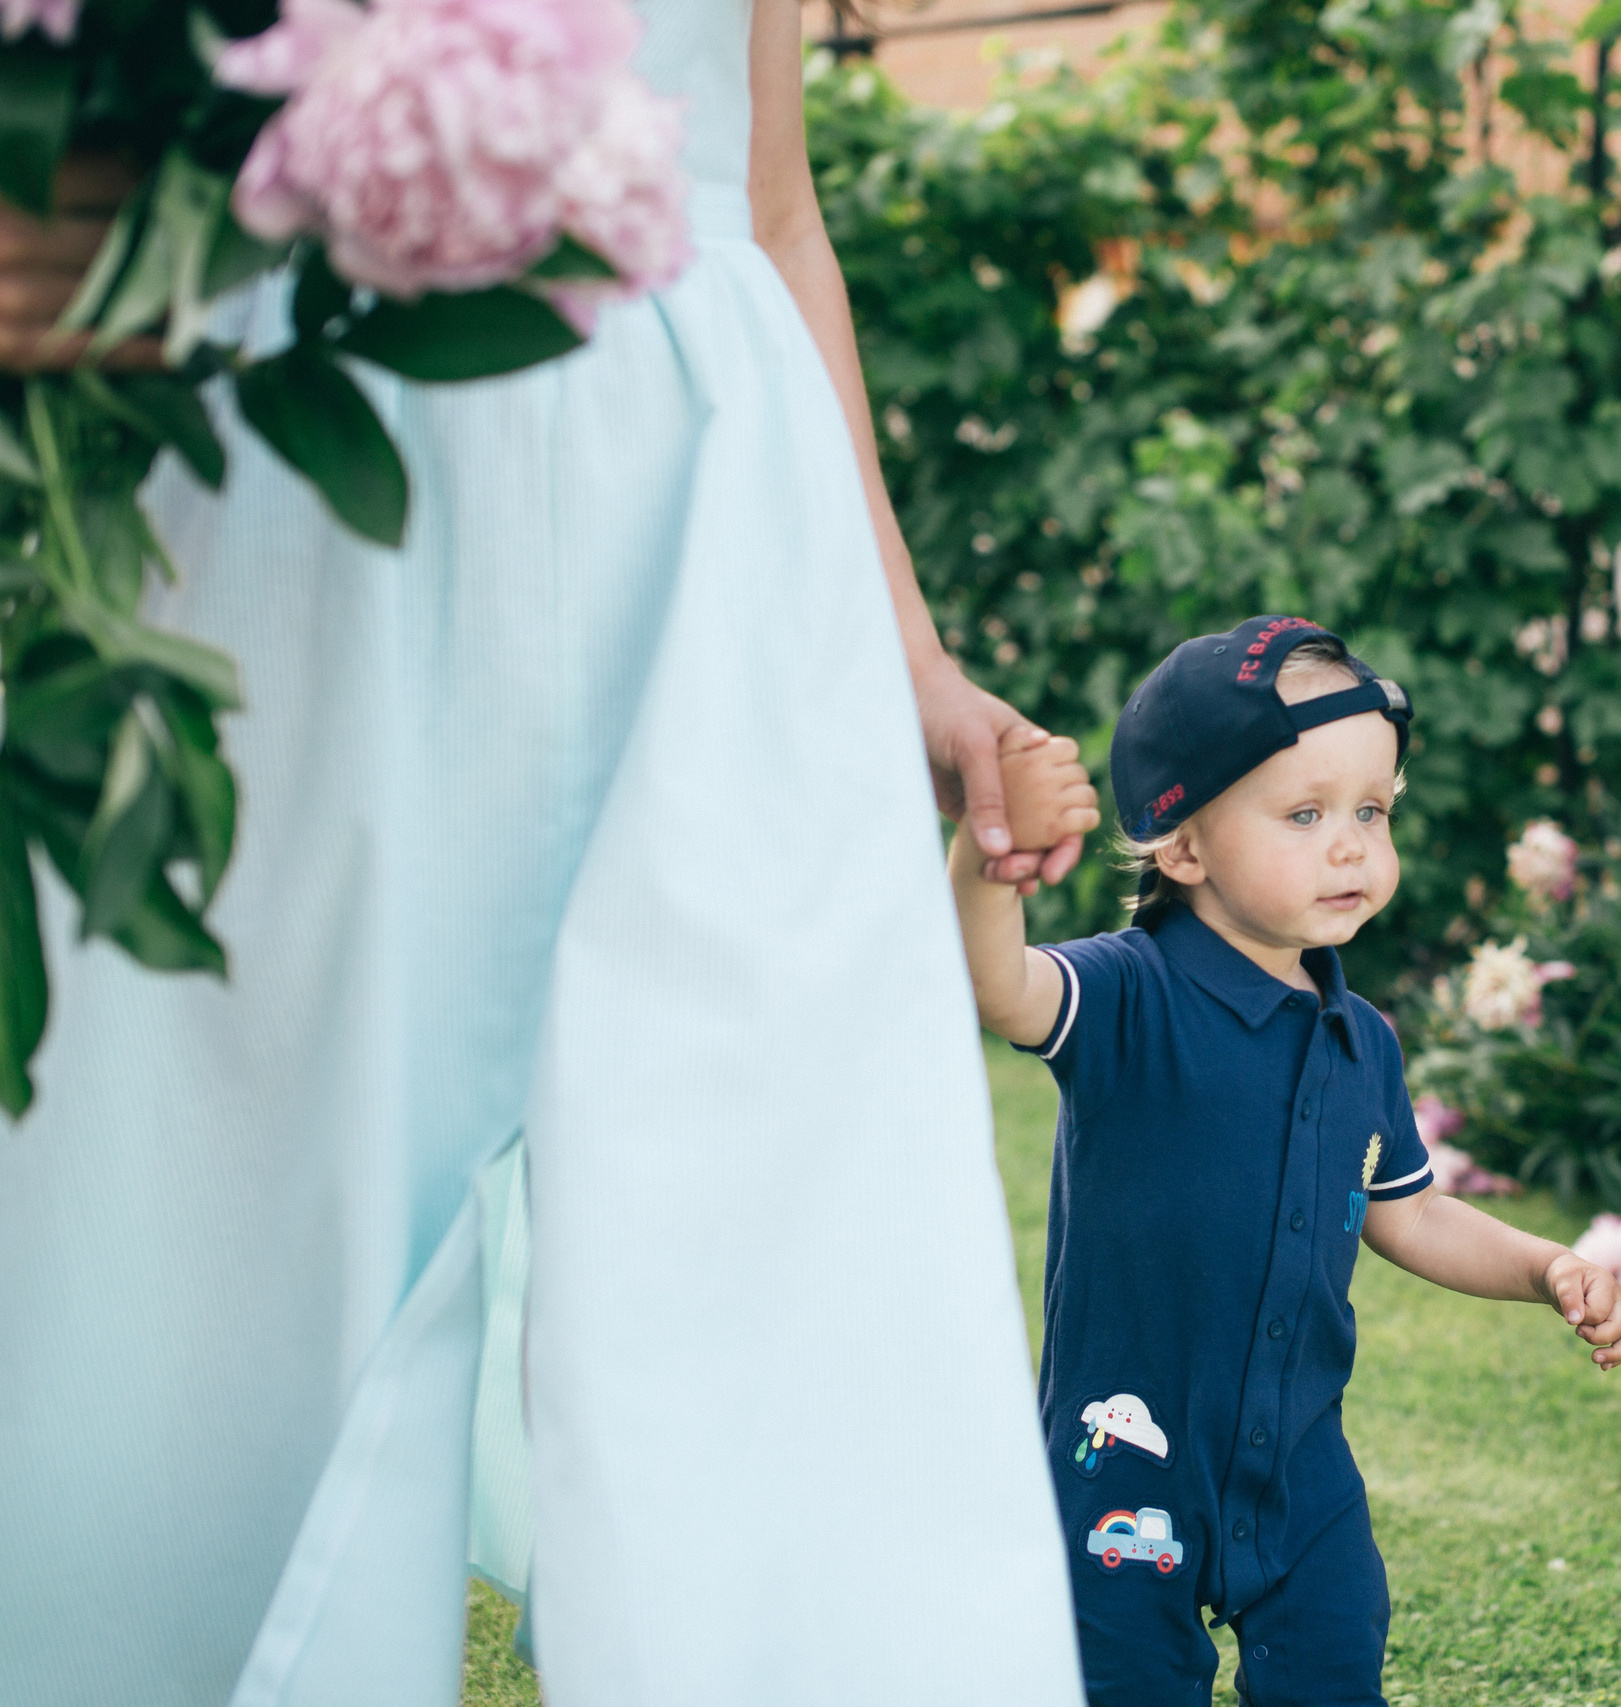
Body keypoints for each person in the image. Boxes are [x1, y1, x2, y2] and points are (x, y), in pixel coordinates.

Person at [0, 1, 1094, 1702]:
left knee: (781, 1199)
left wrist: (912, 653)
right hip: (317, 442)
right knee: (243, 1179)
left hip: (722, 491)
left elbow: (773, 202)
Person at [950, 615, 1621, 1707]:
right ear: (1183, 846)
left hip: (1300, 1464)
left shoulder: (1362, 1040)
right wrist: (993, 859)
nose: (1352, 844)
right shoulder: (1128, 995)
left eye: (1372, 810)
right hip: (1127, 1458)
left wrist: (1543, 1266)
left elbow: (1411, 1213)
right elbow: (999, 987)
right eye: (1306, 813)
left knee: (1331, 1662)